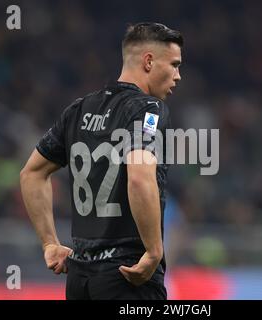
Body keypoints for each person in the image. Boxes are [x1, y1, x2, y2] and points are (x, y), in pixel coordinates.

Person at [20, 22, 183, 300]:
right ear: (148, 61)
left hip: (80, 278)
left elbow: (31, 173)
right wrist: (154, 251)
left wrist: (50, 243)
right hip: (127, 273)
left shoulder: (79, 109)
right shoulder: (149, 110)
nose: (178, 76)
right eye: (175, 64)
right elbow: (139, 176)